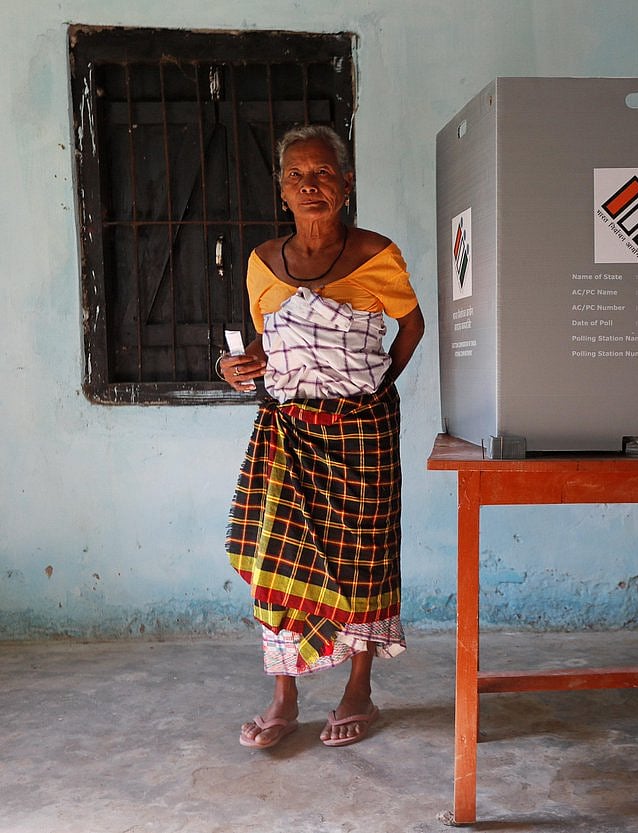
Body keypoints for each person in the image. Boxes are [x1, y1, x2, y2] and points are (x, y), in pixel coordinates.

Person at [218, 124, 425, 749]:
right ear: (282, 191)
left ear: (346, 184)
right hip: (285, 433)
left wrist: (372, 389)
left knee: (363, 559)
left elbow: (411, 328)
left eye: (323, 174)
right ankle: (284, 696)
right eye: (297, 177)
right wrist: (235, 367)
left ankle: (359, 689)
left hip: (362, 433)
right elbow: (268, 341)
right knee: (275, 559)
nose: (311, 186)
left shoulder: (376, 254)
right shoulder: (261, 263)